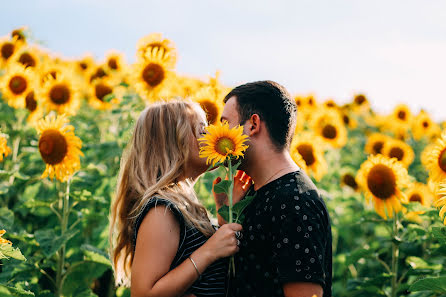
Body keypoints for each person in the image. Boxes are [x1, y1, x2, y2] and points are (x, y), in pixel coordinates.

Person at [108, 100, 252, 297]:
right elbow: (143, 293)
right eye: (202, 131)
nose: (212, 136)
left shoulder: (181, 205)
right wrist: (208, 251)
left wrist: (224, 212)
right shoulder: (161, 211)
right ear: (173, 144)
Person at [213, 81, 332, 297]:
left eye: (225, 123)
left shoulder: (294, 201)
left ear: (253, 124)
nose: (219, 134)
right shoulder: (259, 192)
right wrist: (227, 214)